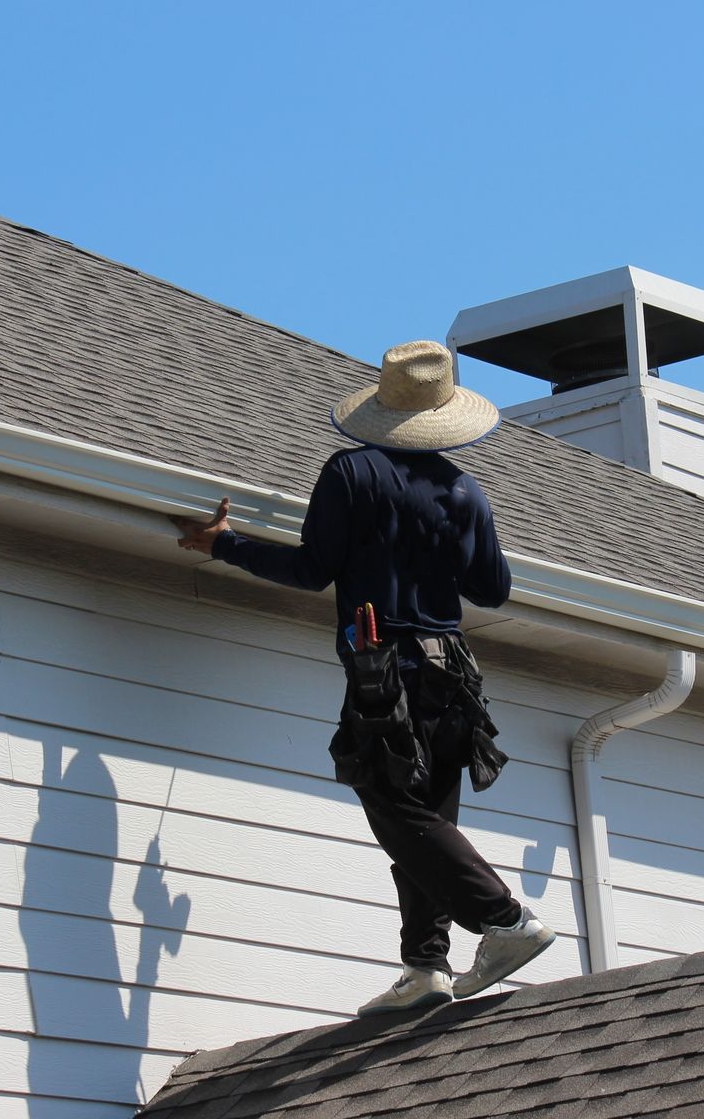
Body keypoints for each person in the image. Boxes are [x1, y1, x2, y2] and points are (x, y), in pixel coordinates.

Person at [172, 340, 556, 1016]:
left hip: (388, 672)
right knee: (430, 816)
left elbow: (311, 570)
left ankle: (505, 921)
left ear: (384, 406)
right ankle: (425, 966)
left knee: (392, 804)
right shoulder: (464, 491)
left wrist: (223, 543)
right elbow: (491, 589)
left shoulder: (353, 475)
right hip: (453, 677)